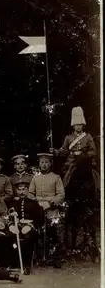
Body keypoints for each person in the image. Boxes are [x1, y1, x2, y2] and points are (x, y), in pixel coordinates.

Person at [50, 106, 100, 262]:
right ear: (73, 125)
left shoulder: (88, 137)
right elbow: (64, 151)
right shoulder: (68, 138)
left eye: (80, 124)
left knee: (96, 179)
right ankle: (63, 196)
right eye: (76, 125)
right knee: (66, 179)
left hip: (85, 163)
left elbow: (94, 152)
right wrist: (56, 152)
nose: (78, 127)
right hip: (72, 165)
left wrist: (82, 154)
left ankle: (98, 195)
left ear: (83, 125)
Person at [28, 153, 65, 268]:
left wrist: (51, 203)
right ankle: (40, 257)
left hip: (52, 209)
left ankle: (56, 259)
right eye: (42, 162)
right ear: (39, 164)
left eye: (46, 162)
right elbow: (30, 193)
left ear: (50, 164)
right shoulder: (35, 177)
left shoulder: (56, 177)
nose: (44, 165)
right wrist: (37, 203)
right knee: (39, 233)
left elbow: (61, 194)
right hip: (38, 209)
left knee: (54, 234)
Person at [5, 178, 44, 275]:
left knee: (28, 237)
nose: (21, 192)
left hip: (30, 226)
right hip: (16, 225)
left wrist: (31, 225)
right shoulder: (12, 203)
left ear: (27, 190)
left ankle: (26, 265)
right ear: (16, 190)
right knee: (8, 236)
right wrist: (10, 225)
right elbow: (7, 216)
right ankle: (12, 263)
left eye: (24, 189)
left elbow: (40, 218)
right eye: (19, 189)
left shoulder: (34, 203)